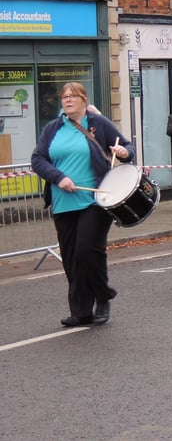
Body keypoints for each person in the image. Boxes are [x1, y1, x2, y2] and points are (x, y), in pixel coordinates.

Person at [31, 81, 135, 327]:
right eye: (64, 97)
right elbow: (38, 158)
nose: (67, 100)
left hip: (94, 200)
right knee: (70, 259)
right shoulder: (52, 129)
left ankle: (103, 295)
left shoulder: (98, 124)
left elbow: (128, 148)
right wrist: (59, 178)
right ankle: (81, 312)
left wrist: (123, 153)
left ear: (84, 100)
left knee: (87, 251)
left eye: (73, 96)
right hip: (63, 202)